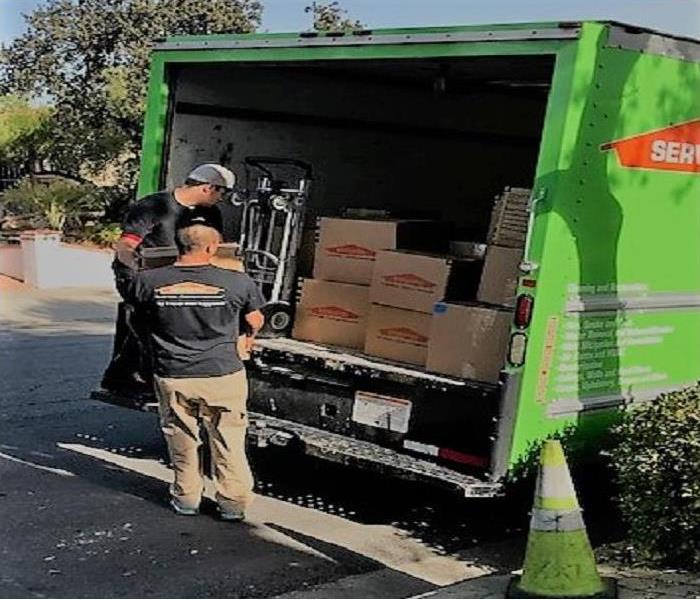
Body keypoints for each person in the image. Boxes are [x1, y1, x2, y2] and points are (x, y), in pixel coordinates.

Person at [130, 206, 265, 521]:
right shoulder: (237, 282)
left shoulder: (147, 281)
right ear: (212, 247)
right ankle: (233, 506)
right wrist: (246, 334)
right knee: (229, 440)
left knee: (181, 438)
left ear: (178, 245)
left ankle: (187, 499)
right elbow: (256, 320)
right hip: (224, 374)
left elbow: (138, 322)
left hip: (172, 373)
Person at [101, 164, 236, 394]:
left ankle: (130, 374)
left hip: (178, 275)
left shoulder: (209, 214)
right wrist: (138, 275)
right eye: (222, 192)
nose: (222, 199)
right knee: (153, 320)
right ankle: (139, 377)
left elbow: (213, 247)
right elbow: (126, 246)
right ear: (208, 188)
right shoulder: (152, 207)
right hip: (140, 273)